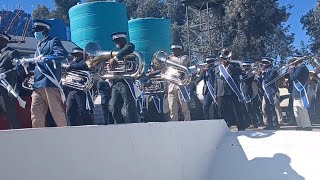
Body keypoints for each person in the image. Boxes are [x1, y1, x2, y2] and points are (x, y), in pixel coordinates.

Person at [26, 20, 68, 128]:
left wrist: (48, 58)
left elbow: (62, 54)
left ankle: (65, 135)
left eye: (37, 30)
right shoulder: (38, 46)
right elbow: (37, 64)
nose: (35, 33)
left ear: (45, 30)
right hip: (37, 84)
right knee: (35, 113)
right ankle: (39, 138)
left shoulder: (53, 41)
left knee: (56, 112)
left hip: (49, 82)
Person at [108, 32, 139, 124]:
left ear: (123, 39)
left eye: (117, 40)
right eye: (114, 41)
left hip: (126, 81)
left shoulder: (129, 46)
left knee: (129, 106)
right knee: (113, 106)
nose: (116, 43)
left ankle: (133, 125)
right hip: (115, 82)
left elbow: (129, 48)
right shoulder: (114, 51)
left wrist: (115, 59)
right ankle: (119, 126)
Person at [214, 49, 248, 130]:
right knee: (221, 111)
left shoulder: (234, 67)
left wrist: (231, 64)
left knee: (237, 109)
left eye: (226, 58)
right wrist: (215, 93)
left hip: (232, 92)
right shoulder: (217, 69)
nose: (224, 60)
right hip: (221, 92)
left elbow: (240, 73)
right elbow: (215, 82)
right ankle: (223, 128)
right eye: (222, 58)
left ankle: (241, 126)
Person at [65, 47, 93, 126]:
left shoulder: (85, 62)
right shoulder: (72, 64)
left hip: (82, 91)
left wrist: (71, 66)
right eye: (74, 55)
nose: (75, 57)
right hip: (72, 90)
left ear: (82, 55)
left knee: (83, 111)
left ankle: (88, 128)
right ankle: (72, 128)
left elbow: (81, 66)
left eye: (77, 55)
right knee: (69, 111)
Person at [0, 32, 22, 129]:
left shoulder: (11, 52)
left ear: (4, 41)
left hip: (6, 86)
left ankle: (16, 133)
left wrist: (6, 74)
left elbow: (19, 67)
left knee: (9, 111)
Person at [167, 43, 191, 121]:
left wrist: (169, 59)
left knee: (184, 108)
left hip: (181, 85)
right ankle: (174, 124)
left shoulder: (185, 57)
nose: (173, 52)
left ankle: (188, 123)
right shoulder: (170, 59)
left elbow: (180, 63)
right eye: (172, 50)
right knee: (172, 108)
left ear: (180, 50)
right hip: (171, 85)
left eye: (175, 50)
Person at [289, 56, 312, 129]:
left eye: (294, 60)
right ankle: (300, 125)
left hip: (300, 91)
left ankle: (306, 125)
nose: (293, 62)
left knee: (302, 109)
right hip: (296, 91)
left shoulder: (302, 68)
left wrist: (292, 69)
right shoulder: (298, 68)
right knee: (296, 109)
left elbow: (293, 77)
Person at [240, 60, 263, 128]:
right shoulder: (244, 73)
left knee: (251, 108)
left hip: (250, 93)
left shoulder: (251, 73)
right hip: (243, 92)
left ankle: (254, 122)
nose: (244, 68)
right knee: (245, 109)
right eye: (243, 66)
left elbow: (247, 80)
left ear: (249, 67)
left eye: (245, 66)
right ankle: (248, 122)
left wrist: (243, 74)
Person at [260, 57, 279, 130]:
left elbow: (269, 79)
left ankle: (275, 124)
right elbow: (262, 82)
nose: (263, 64)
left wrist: (264, 73)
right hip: (266, 92)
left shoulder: (273, 71)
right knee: (266, 108)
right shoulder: (264, 71)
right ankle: (269, 124)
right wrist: (259, 75)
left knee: (272, 108)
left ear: (269, 63)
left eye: (265, 63)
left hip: (271, 91)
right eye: (263, 63)